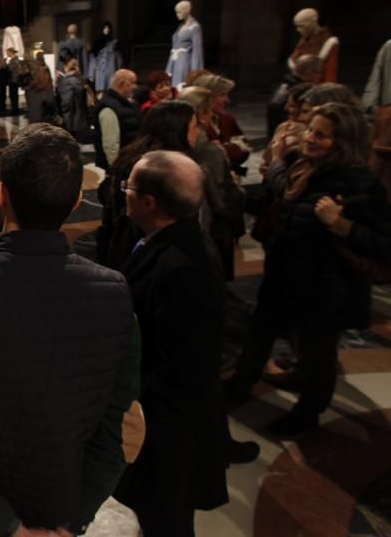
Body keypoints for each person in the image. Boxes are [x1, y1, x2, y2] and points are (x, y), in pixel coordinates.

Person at [0, 124, 144, 537]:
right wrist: (73, 519)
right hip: (63, 514)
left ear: (1, 194)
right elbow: (123, 429)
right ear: (75, 202)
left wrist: (8, 528)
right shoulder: (116, 294)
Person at [227, 103, 391, 435]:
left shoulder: (358, 183)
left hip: (324, 288)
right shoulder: (305, 168)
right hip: (283, 276)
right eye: (311, 130)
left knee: (317, 354)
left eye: (322, 135)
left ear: (343, 141)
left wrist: (341, 225)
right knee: (259, 334)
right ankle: (239, 387)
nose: (311, 138)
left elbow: (383, 243)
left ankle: (307, 414)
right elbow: (281, 199)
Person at [113, 150, 229, 536]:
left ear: (149, 202)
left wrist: (125, 402)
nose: (122, 191)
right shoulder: (166, 239)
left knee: (166, 521)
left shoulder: (184, 270)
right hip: (161, 425)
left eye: (127, 185)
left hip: (168, 437)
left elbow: (183, 370)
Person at [96, 100, 197, 270]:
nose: (198, 133)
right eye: (195, 127)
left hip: (123, 247)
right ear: (178, 131)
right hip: (148, 256)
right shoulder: (161, 169)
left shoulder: (133, 155)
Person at [177, 87, 247, 280]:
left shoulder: (174, 141)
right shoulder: (207, 149)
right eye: (209, 111)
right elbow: (218, 193)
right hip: (210, 228)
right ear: (199, 115)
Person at [192, 72, 250, 175]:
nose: (227, 100)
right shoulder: (192, 123)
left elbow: (245, 149)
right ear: (206, 96)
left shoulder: (226, 118)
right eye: (222, 95)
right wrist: (231, 148)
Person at [95, 69, 142, 171]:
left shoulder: (129, 104)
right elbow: (111, 145)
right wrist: (116, 169)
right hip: (121, 167)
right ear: (121, 83)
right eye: (133, 83)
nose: (136, 87)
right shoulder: (109, 108)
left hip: (130, 162)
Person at [26, 52, 54, 123]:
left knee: (37, 118)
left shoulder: (37, 68)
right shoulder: (45, 67)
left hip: (36, 94)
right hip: (44, 93)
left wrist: (30, 87)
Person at [6, 47, 23, 115]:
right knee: (12, 95)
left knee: (14, 95)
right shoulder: (13, 60)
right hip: (12, 80)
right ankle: (14, 109)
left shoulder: (15, 60)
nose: (7, 53)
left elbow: (11, 69)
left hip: (14, 80)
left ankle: (15, 109)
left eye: (8, 52)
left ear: (11, 52)